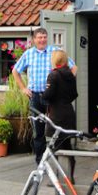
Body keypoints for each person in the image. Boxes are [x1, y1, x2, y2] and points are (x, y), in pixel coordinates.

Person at [12, 27, 76, 163]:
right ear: (34, 40)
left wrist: (65, 84)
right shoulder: (28, 54)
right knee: (38, 132)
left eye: (44, 37)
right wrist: (23, 88)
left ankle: (60, 161)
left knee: (57, 131)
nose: (42, 40)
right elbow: (15, 71)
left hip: (53, 99)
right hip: (35, 97)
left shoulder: (55, 52)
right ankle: (41, 162)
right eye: (39, 37)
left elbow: (73, 67)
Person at [44, 49, 78, 178]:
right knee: (67, 146)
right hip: (68, 113)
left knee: (56, 147)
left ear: (55, 60)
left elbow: (48, 95)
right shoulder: (70, 74)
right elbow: (74, 94)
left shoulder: (53, 75)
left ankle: (59, 177)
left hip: (57, 114)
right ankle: (71, 176)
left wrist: (43, 95)